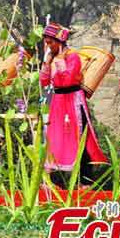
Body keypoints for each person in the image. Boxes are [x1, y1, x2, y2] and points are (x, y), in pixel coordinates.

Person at [40, 23, 108, 186]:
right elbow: (43, 81)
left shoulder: (73, 57)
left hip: (73, 101)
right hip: (58, 101)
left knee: (80, 138)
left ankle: (85, 180)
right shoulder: (51, 58)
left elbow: (69, 79)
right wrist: (47, 63)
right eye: (47, 43)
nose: (48, 46)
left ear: (60, 42)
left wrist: (60, 62)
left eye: (51, 42)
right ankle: (55, 181)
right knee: (55, 138)